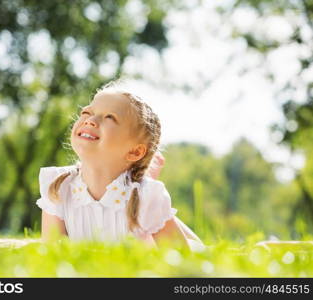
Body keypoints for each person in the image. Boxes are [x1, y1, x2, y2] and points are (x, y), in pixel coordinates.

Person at [36, 80, 203, 249]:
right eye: (87, 112)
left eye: (110, 117)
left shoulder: (147, 197)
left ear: (135, 152)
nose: (90, 120)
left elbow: (182, 256)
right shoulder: (57, 187)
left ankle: (142, 184)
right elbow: (52, 253)